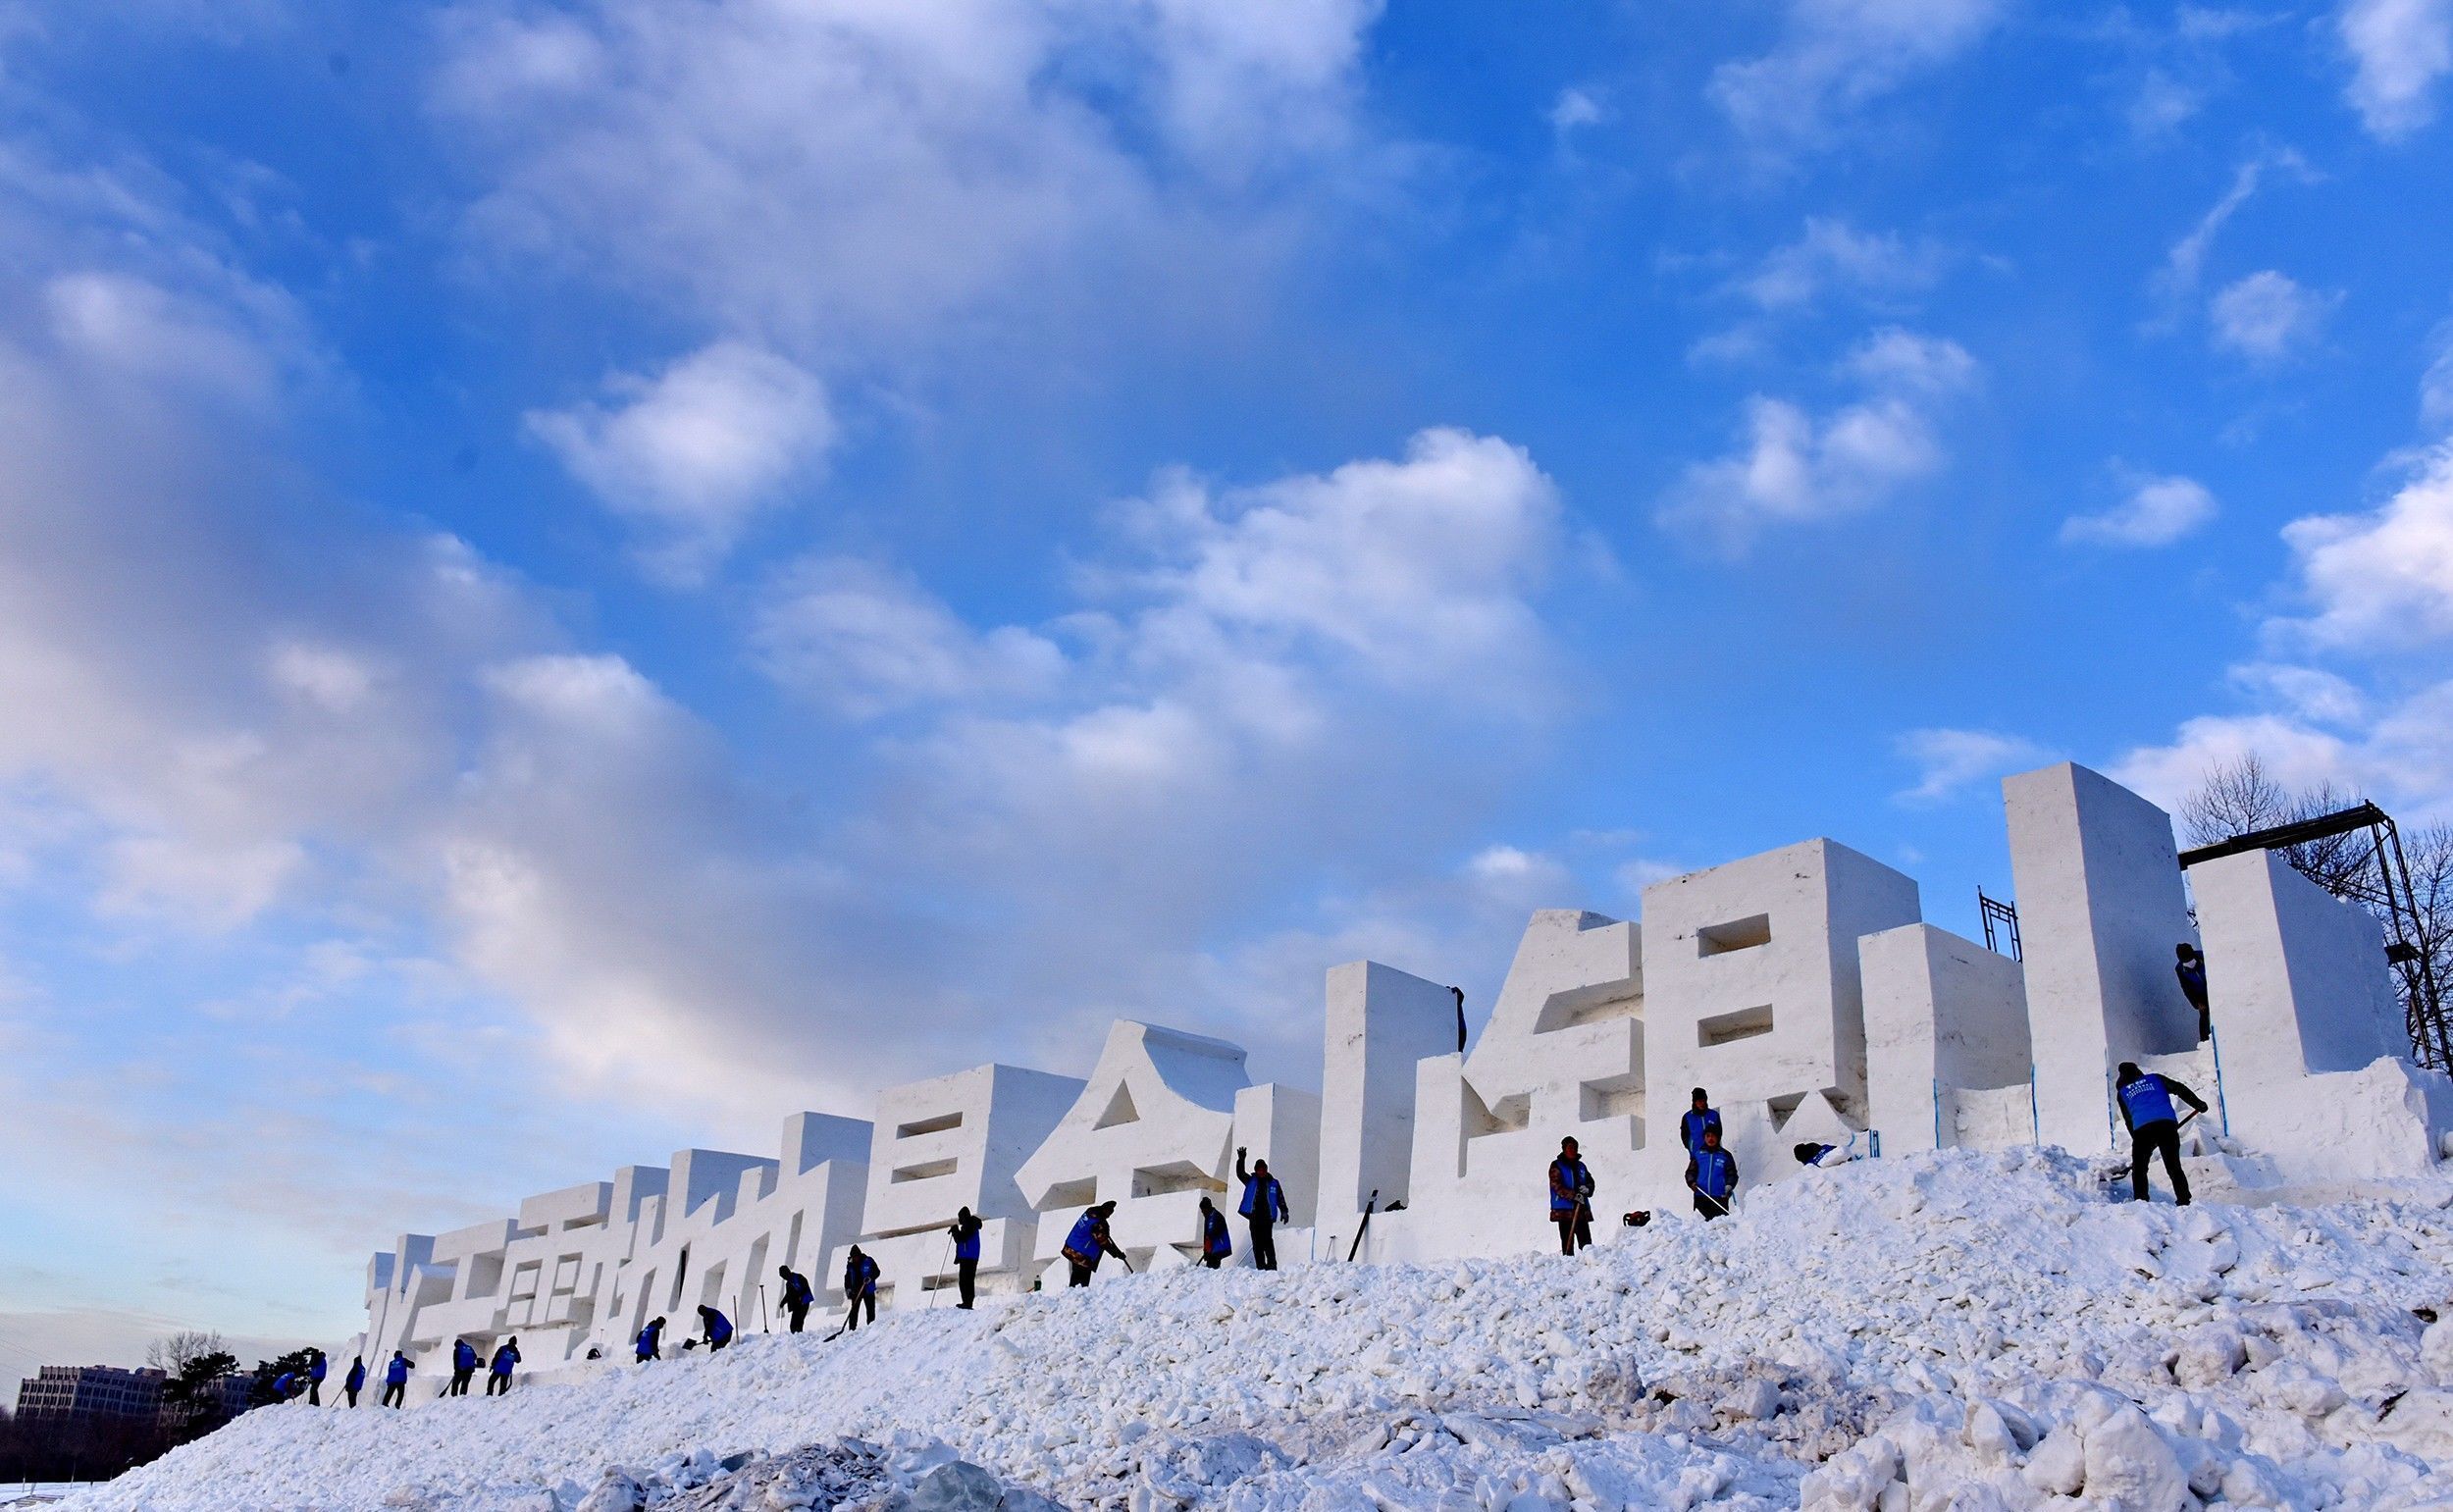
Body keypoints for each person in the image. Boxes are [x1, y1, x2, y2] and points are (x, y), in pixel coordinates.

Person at [2116, 1061, 2211, 1206]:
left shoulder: (2123, 1092)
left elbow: (2129, 1119)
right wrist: (2198, 1104)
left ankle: (2141, 1201)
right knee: (2173, 1166)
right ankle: (2184, 1200)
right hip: (2167, 1125)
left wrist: (2140, 1142)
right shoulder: (2156, 1079)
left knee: (2139, 1168)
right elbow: (2179, 1088)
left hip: (2142, 1129)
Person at [1235, 1147, 1290, 1272]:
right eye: (1259, 1170)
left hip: (1267, 1217)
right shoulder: (1250, 1181)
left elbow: (1280, 1198)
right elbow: (1240, 1173)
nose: (1261, 1172)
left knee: (1268, 1242)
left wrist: (1284, 1211)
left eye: (1263, 1169)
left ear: (1266, 1169)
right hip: (1254, 1217)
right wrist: (1241, 1159)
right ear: (1256, 1170)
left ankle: (1272, 1266)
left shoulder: (1273, 1183)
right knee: (1257, 1243)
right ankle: (1260, 1266)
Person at [1061, 1201, 1125, 1287]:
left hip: (1072, 1247)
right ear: (1104, 1209)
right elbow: (1103, 1241)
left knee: (1076, 1277)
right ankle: (1075, 1298)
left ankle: (1072, 1297)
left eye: (1111, 1213)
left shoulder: (1090, 1213)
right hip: (1081, 1254)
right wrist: (1116, 1253)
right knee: (1082, 1282)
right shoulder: (1097, 1223)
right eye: (1108, 1212)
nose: (1109, 1215)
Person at [1548, 1136, 1595, 1254]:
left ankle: (1589, 1263)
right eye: (1570, 1147)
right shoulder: (1557, 1166)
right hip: (1564, 1210)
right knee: (1567, 1243)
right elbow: (1557, 1186)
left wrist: (1587, 1189)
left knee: (1586, 1242)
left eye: (1575, 1147)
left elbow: (1590, 1181)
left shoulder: (1581, 1166)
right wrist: (1573, 1195)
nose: (1573, 1150)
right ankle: (1568, 1267)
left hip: (1581, 1209)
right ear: (1564, 1149)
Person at [1688, 1125, 1738, 1220]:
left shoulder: (1725, 1155)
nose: (1710, 1138)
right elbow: (1690, 1172)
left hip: (1720, 1198)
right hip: (1701, 1197)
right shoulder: (1698, 1155)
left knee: (1720, 1228)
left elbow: (1732, 1174)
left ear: (1718, 1137)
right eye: (1708, 1136)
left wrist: (1729, 1186)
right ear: (1704, 1138)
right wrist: (1692, 1182)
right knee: (1701, 1229)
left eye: (1713, 1136)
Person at [2176, 944, 2211, 1042]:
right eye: (2186, 961)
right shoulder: (2180, 969)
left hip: (2212, 988)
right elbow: (2186, 988)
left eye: (2190, 960)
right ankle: (2205, 1041)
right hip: (2200, 995)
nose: (2189, 963)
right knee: (2204, 1015)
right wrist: (2196, 1003)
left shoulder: (2203, 956)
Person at [950, 1209, 983, 1309]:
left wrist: (955, 1231)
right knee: (966, 1281)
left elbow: (962, 1238)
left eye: (960, 1217)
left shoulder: (970, 1224)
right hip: (969, 1256)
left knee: (965, 1281)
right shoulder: (971, 1224)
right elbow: (961, 1239)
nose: (960, 1220)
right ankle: (967, 1302)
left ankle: (967, 1303)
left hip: (968, 1257)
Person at [841, 1247, 881, 1330]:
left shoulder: (868, 1261)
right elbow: (847, 1278)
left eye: (856, 1256)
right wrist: (848, 1289)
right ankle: (851, 1329)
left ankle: (871, 1327)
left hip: (867, 1290)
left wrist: (870, 1278)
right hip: (856, 1291)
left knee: (870, 1310)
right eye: (853, 1257)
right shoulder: (850, 1265)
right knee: (853, 1311)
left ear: (859, 1255)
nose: (855, 1258)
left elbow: (877, 1272)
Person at [1680, 1089, 1721, 1155]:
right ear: (1694, 1102)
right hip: (1696, 1155)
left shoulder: (1714, 1115)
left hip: (1714, 1154)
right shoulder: (1687, 1117)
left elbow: (1719, 1133)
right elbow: (1684, 1136)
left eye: (1704, 1100)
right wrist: (1691, 1148)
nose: (1702, 1103)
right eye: (1699, 1101)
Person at [1198, 1195, 1231, 1269]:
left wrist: (1207, 1252)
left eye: (1203, 1210)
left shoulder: (1215, 1217)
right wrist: (1206, 1251)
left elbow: (1211, 1235)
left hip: (1218, 1248)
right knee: (1211, 1270)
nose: (1202, 1213)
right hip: (1213, 1249)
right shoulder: (1209, 1217)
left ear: (1207, 1208)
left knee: (1212, 1269)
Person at [777, 1265, 814, 1333]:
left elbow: (805, 1286)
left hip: (804, 1302)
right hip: (796, 1304)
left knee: (799, 1321)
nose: (784, 1278)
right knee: (793, 1325)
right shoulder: (788, 1283)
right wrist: (783, 1302)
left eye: (784, 1275)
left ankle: (799, 1336)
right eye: (782, 1276)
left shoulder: (798, 1277)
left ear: (787, 1272)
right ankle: (795, 1336)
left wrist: (800, 1296)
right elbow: (788, 1294)